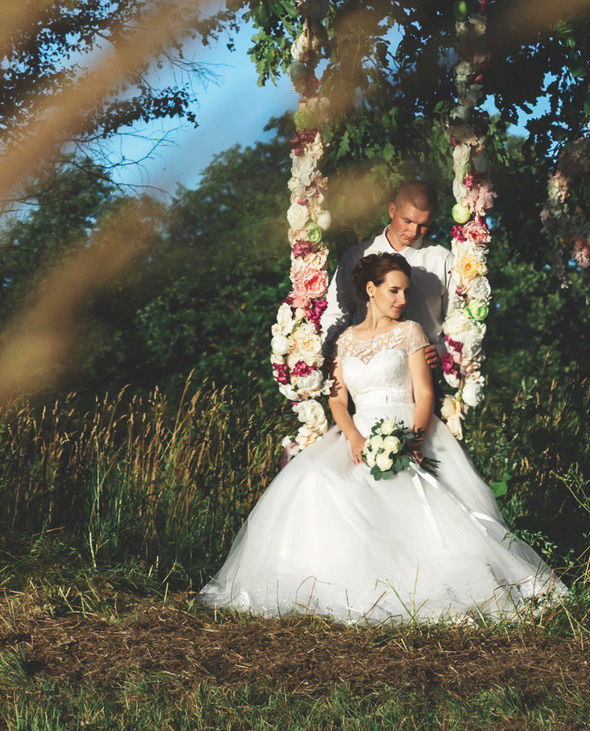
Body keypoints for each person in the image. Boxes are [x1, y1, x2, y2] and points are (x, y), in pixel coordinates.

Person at [198, 251, 564, 624]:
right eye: (394, 291)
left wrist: (415, 441)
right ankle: (317, 579)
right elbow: (338, 400)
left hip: (405, 426)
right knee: (312, 478)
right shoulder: (344, 341)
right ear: (370, 290)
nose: (403, 300)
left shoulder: (410, 333)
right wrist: (354, 438)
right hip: (357, 432)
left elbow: (425, 395)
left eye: (405, 291)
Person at [319, 180, 448, 375]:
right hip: (363, 371)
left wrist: (442, 351)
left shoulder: (443, 259)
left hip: (425, 372)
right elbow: (336, 313)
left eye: (423, 225)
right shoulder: (357, 256)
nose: (414, 232)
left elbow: (458, 318)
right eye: (408, 221)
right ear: (391, 210)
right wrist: (327, 354)